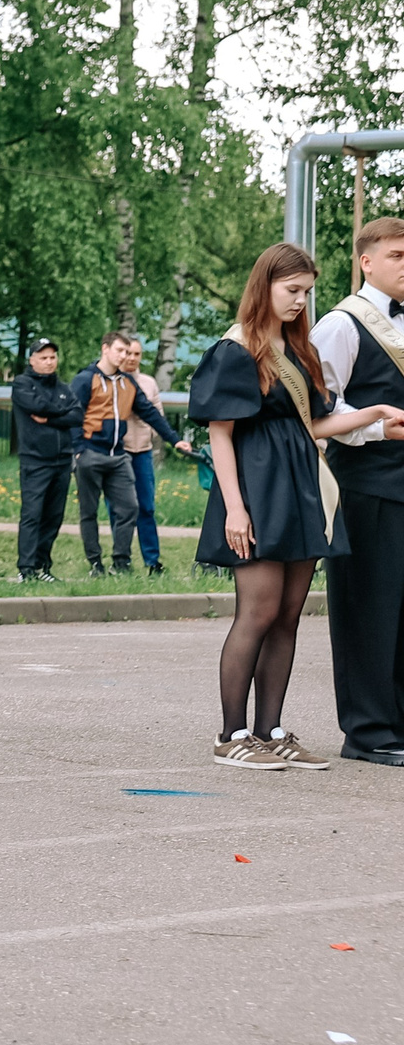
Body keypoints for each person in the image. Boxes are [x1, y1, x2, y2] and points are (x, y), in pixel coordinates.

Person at [192, 242, 398, 771]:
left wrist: (374, 415)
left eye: (307, 292)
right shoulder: (237, 349)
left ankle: (271, 730)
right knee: (256, 613)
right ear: (264, 286)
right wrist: (235, 510)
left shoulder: (298, 348)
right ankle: (230, 734)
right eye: (291, 291)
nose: (301, 302)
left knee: (287, 617)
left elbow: (317, 424)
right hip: (256, 491)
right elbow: (220, 434)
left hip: (301, 489)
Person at [316, 216, 404, 766]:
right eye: (397, 254)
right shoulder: (341, 324)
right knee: (370, 608)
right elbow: (320, 405)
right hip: (367, 485)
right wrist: (376, 425)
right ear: (366, 261)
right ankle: (368, 731)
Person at [71, 332, 193, 576]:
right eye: (120, 351)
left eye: (127, 352)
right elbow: (73, 415)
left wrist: (175, 440)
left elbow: (149, 412)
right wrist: (78, 451)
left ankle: (121, 562)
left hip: (119, 457)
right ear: (105, 349)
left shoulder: (127, 382)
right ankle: (95, 563)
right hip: (90, 454)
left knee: (130, 508)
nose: (124, 356)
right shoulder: (85, 379)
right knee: (90, 512)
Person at [12, 339, 80, 580]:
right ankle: (26, 568)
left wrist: (51, 418)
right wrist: (62, 411)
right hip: (35, 461)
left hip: (62, 461)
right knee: (32, 514)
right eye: (43, 357)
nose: (49, 362)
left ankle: (43, 566)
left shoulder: (63, 387)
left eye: (52, 357)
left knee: (53, 516)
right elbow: (34, 405)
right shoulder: (22, 384)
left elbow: (77, 414)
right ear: (32, 360)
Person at [118, 336, 173, 571]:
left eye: (136, 354)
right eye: (128, 353)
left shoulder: (148, 382)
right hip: (119, 452)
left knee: (146, 507)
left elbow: (157, 415)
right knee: (120, 508)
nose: (131, 358)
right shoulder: (112, 380)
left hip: (142, 452)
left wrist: (150, 432)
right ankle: (122, 559)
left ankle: (152, 561)